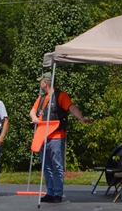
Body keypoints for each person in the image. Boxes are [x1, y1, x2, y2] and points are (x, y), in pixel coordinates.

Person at [30, 73, 92, 203]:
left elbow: (71, 107)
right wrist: (34, 118)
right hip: (42, 136)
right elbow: (33, 111)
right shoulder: (41, 98)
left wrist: (80, 117)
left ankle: (58, 193)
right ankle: (50, 191)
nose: (40, 84)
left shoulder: (61, 96)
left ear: (45, 83)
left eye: (40, 82)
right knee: (46, 166)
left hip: (56, 136)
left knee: (56, 165)